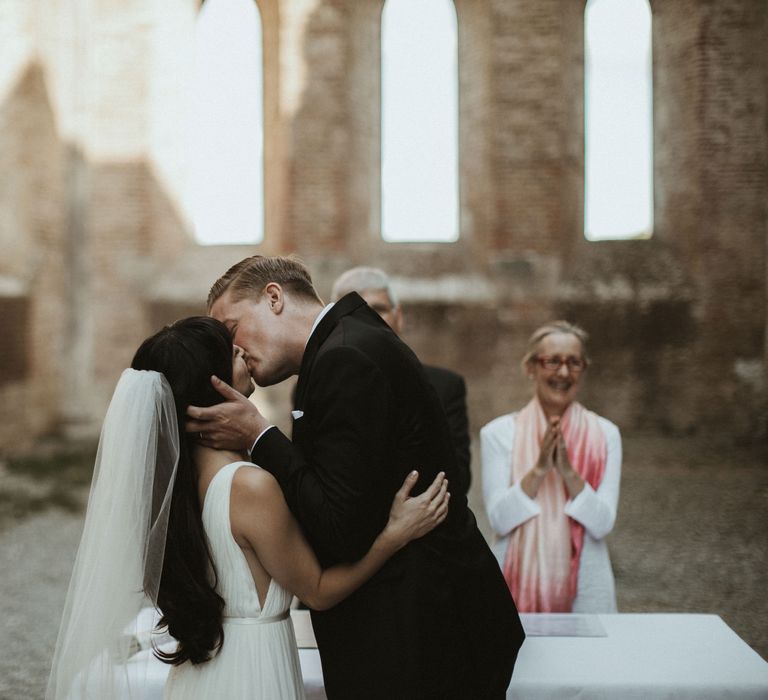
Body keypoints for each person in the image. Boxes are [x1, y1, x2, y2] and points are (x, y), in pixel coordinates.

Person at [47, 317, 450, 700]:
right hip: (252, 671)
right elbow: (319, 590)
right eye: (230, 350)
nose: (242, 350)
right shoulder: (250, 485)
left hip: (202, 672)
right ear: (212, 384)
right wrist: (393, 536)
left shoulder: (176, 484)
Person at [187, 255, 524, 700]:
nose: (236, 350)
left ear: (274, 298)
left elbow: (339, 530)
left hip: (419, 636)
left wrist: (259, 436)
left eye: (232, 330)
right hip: (417, 626)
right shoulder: (342, 345)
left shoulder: (343, 358)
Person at [480, 320, 621, 613]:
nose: (564, 372)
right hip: (513, 587)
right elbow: (499, 520)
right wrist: (540, 469)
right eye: (552, 361)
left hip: (586, 588)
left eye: (574, 362)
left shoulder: (606, 434)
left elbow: (602, 523)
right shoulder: (498, 433)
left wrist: (569, 473)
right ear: (530, 368)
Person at [330, 266, 472, 496]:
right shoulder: (319, 387)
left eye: (379, 309)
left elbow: (457, 478)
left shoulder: (445, 387)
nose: (370, 319)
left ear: (399, 317)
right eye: (356, 312)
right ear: (337, 322)